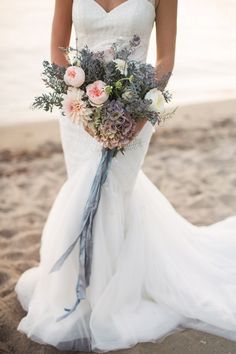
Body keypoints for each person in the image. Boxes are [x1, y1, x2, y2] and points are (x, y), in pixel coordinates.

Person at [14, 0, 236, 352]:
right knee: (84, 191)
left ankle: (108, 297)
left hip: (136, 113)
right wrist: (80, 102)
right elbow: (58, 49)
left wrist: (141, 114)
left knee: (113, 194)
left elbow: (165, 60)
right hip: (78, 113)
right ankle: (80, 293)